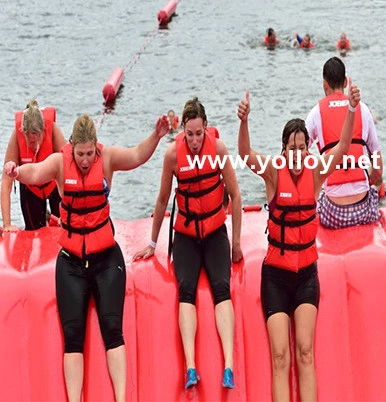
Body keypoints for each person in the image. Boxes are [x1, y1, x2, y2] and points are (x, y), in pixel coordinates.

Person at [3, 113, 170, 402]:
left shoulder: (107, 158)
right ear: (72, 147)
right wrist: (16, 171)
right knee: (73, 336)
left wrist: (156, 136)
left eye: (89, 153)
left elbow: (136, 155)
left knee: (112, 330)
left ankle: (121, 398)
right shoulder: (59, 162)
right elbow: (36, 172)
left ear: (95, 147)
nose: (84, 159)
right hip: (71, 261)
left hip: (106, 258)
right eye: (80, 153)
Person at [237, 81, 359, 401]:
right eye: (291, 148)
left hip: (306, 274)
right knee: (281, 358)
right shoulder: (273, 173)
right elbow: (245, 154)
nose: (296, 154)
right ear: (283, 150)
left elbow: (344, 147)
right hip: (275, 276)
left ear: (308, 149)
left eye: (301, 147)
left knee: (305, 353)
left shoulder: (316, 171)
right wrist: (244, 121)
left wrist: (350, 109)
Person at [133, 97, 242, 391]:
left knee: (222, 289)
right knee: (186, 292)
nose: (194, 141)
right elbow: (161, 200)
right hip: (186, 237)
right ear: (182, 130)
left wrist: (237, 244)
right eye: (189, 134)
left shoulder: (218, 150)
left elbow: (235, 196)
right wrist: (152, 243)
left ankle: (229, 365)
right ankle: (191, 367)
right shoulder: (172, 155)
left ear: (206, 128)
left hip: (216, 233)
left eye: (199, 133)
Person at [305, 57, 383, 228]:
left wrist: (318, 173)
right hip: (363, 210)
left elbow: (298, 153)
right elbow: (378, 168)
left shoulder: (315, 113)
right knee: (377, 190)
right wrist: (367, 182)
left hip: (333, 214)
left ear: (324, 85)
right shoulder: (363, 109)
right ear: (346, 82)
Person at [2, 100, 66, 231]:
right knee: (33, 229)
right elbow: (6, 183)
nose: (35, 146)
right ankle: (45, 219)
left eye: (38, 140)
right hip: (31, 188)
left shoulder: (52, 129)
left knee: (62, 228)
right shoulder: (17, 136)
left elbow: (68, 171)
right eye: (31, 142)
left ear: (44, 130)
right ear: (23, 132)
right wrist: (7, 224)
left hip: (54, 185)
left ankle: (51, 219)